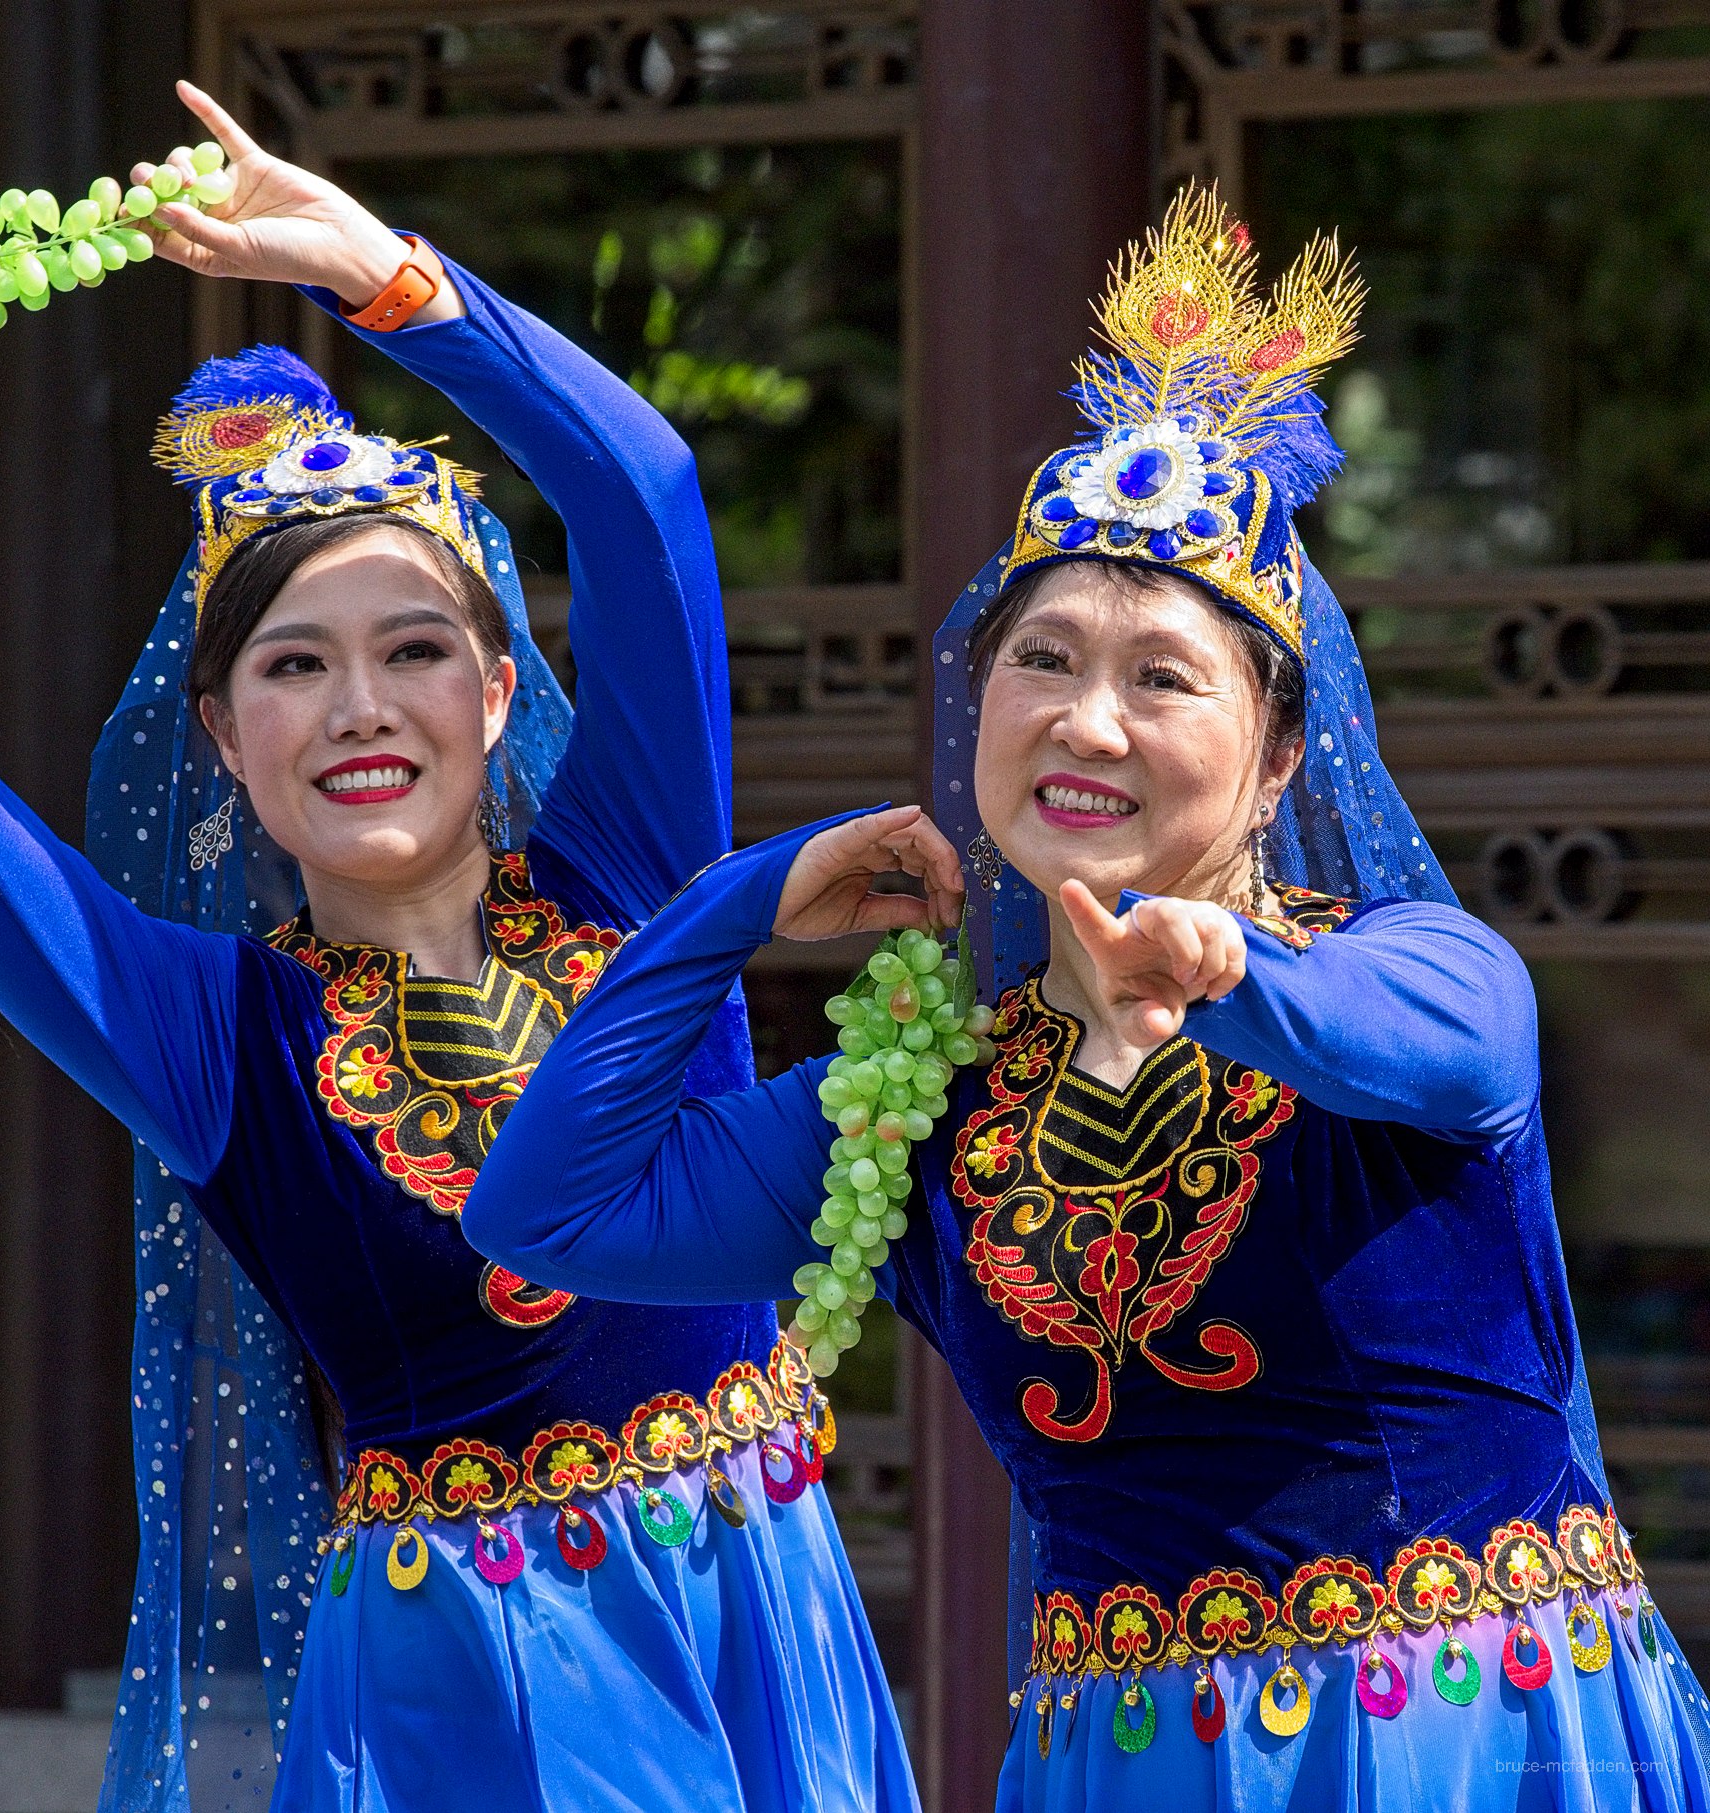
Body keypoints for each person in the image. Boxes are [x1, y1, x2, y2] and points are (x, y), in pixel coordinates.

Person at [0, 75, 912, 1813]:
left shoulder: (633, 877)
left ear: (500, 694)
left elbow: (645, 492)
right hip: (468, 1693)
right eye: (293, 663)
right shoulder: (210, 1032)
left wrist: (383, 274)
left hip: (756, 1617)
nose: (363, 705)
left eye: (416, 649)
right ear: (223, 738)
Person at [466, 187, 1710, 1808]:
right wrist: (733, 905)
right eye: (1040, 661)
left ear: (1275, 758)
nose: (1085, 720)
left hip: (1458, 1751)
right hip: (1122, 1768)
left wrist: (1227, 970)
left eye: (1160, 676)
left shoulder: (1420, 965)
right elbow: (544, 1211)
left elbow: (1438, 1043)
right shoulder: (924, 1103)